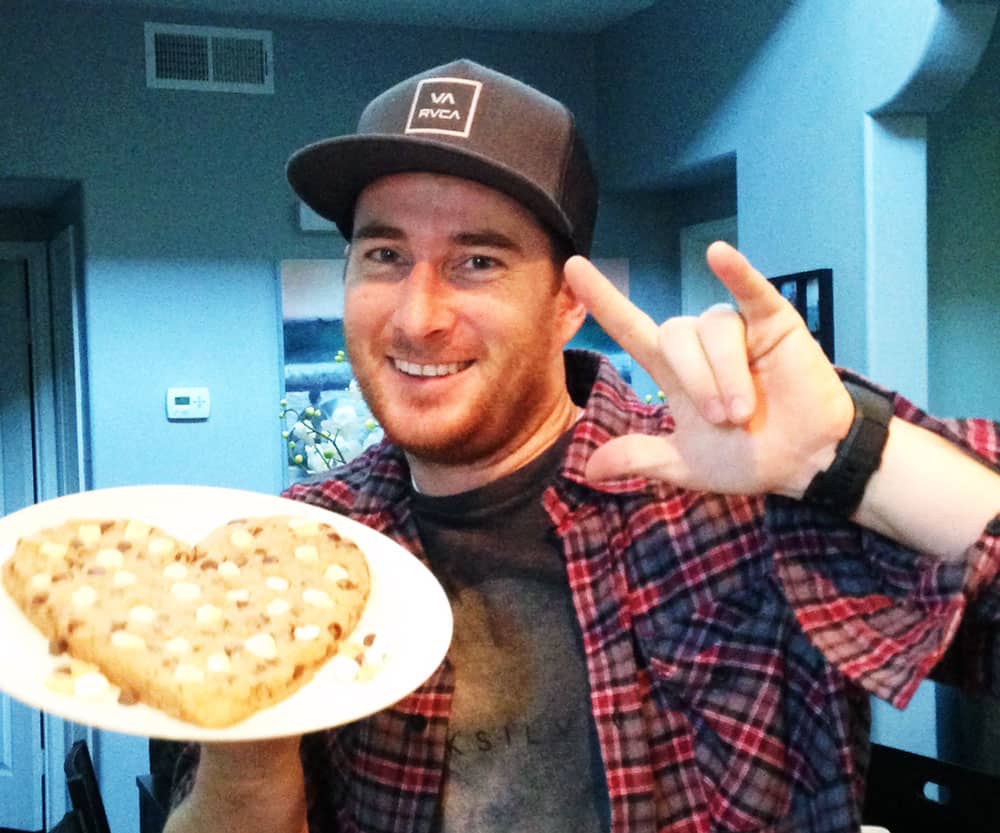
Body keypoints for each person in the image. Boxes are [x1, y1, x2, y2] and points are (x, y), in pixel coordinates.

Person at [164, 59, 1000, 833]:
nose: (417, 316)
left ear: (567, 305)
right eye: (384, 254)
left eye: (477, 262)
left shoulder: (737, 497)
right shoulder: (304, 545)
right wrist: (252, 724)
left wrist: (847, 455)